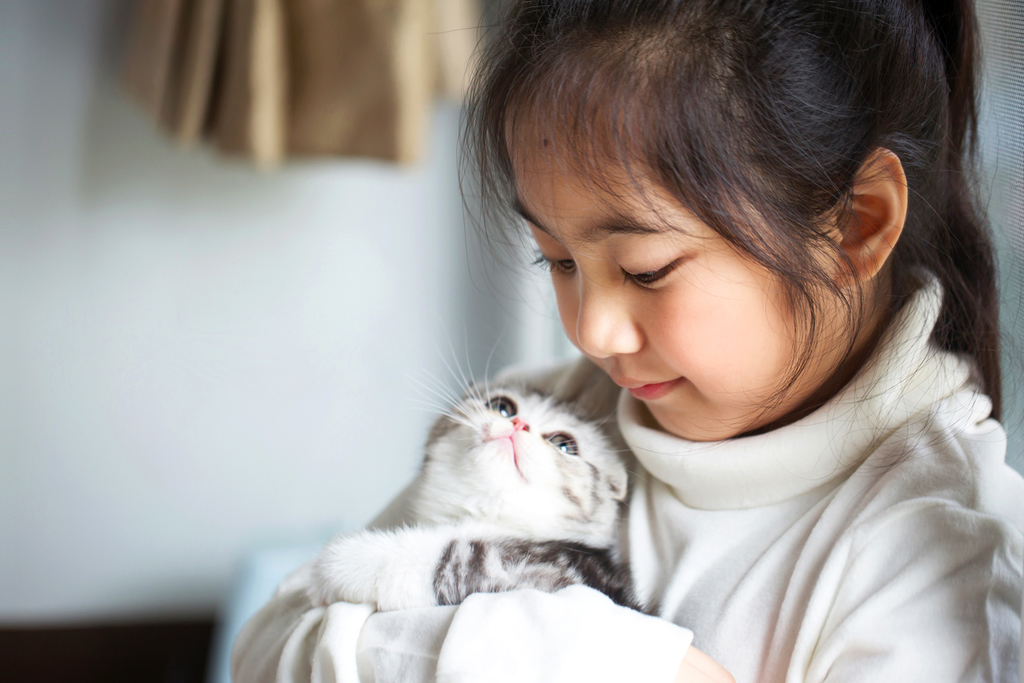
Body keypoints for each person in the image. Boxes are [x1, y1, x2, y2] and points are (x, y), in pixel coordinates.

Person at [232, 0, 1024, 680]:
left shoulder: (944, 559)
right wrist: (587, 656)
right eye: (560, 261)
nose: (592, 331)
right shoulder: (561, 415)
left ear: (855, 225)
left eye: (646, 270)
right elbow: (270, 645)